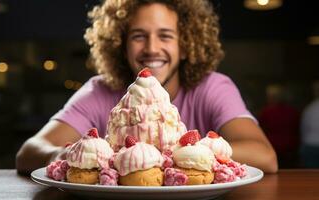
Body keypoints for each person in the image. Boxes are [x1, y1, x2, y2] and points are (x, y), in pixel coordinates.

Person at [16, 0, 278, 174]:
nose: (152, 48)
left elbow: (265, 156)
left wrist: (188, 153)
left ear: (186, 46)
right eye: (139, 36)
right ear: (121, 45)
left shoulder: (213, 87)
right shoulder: (99, 90)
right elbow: (28, 153)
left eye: (165, 35)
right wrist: (71, 154)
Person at [258, 84, 300, 168]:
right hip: (289, 147)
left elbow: (260, 129)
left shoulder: (266, 112)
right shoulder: (292, 111)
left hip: (272, 147)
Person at [300, 80, 319, 168]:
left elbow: (303, 129)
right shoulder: (310, 108)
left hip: (309, 145)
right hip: (311, 146)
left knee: (310, 176)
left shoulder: (309, 108)